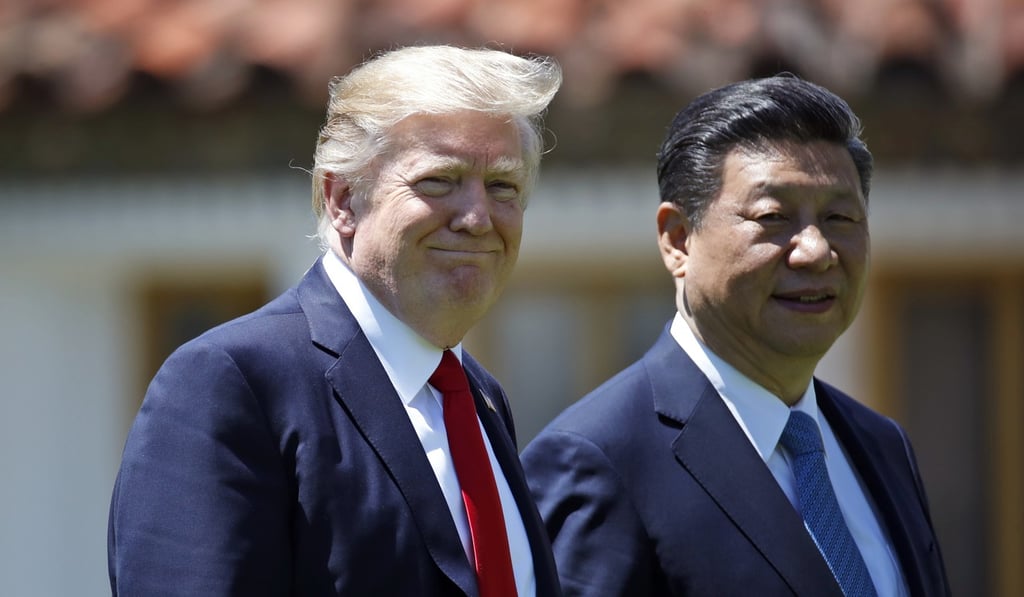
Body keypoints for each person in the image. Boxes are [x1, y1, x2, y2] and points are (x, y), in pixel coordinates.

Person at [108, 45, 563, 596]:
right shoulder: (230, 383)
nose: (476, 217)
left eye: (503, 186)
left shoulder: (478, 398)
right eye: (439, 180)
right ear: (343, 199)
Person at [521, 74, 951, 596]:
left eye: (840, 217)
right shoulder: (600, 460)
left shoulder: (882, 447)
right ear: (678, 240)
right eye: (773, 216)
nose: (816, 251)